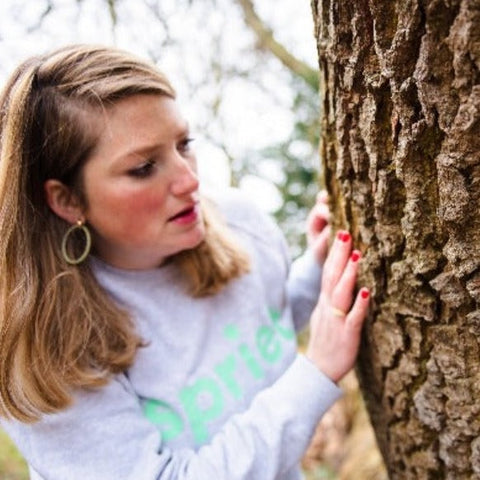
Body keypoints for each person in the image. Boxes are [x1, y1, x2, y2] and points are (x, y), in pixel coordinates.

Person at [0, 44, 370, 480]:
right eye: (143, 168)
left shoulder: (237, 222)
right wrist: (317, 373)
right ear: (66, 198)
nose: (190, 180)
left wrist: (320, 272)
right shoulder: (41, 354)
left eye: (184, 144)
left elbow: (258, 334)